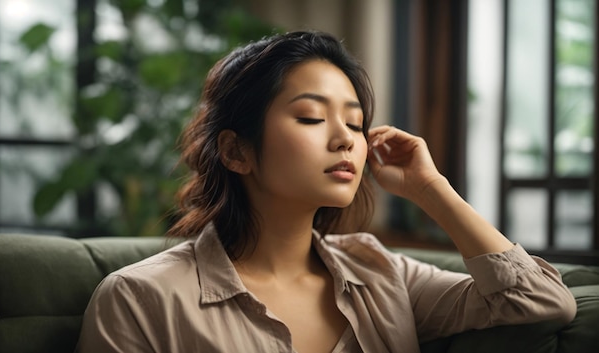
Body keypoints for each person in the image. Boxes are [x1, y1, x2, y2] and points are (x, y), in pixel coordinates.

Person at [75, 31, 576, 353]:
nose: (345, 139)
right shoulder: (142, 299)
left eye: (356, 124)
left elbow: (541, 302)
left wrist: (431, 189)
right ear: (235, 152)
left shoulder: (381, 273)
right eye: (311, 117)